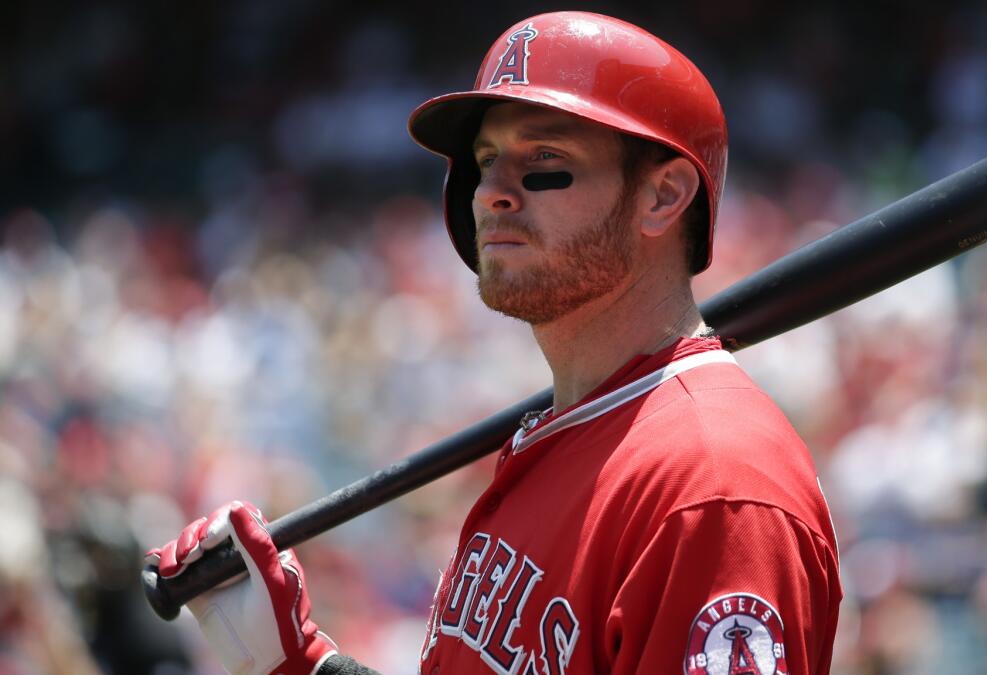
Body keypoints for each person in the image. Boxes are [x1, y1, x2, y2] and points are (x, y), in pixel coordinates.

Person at [147, 11, 842, 675]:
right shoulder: (562, 437)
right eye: (484, 161)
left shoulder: (715, 486)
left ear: (662, 196)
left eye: (545, 158)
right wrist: (300, 661)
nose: (492, 193)